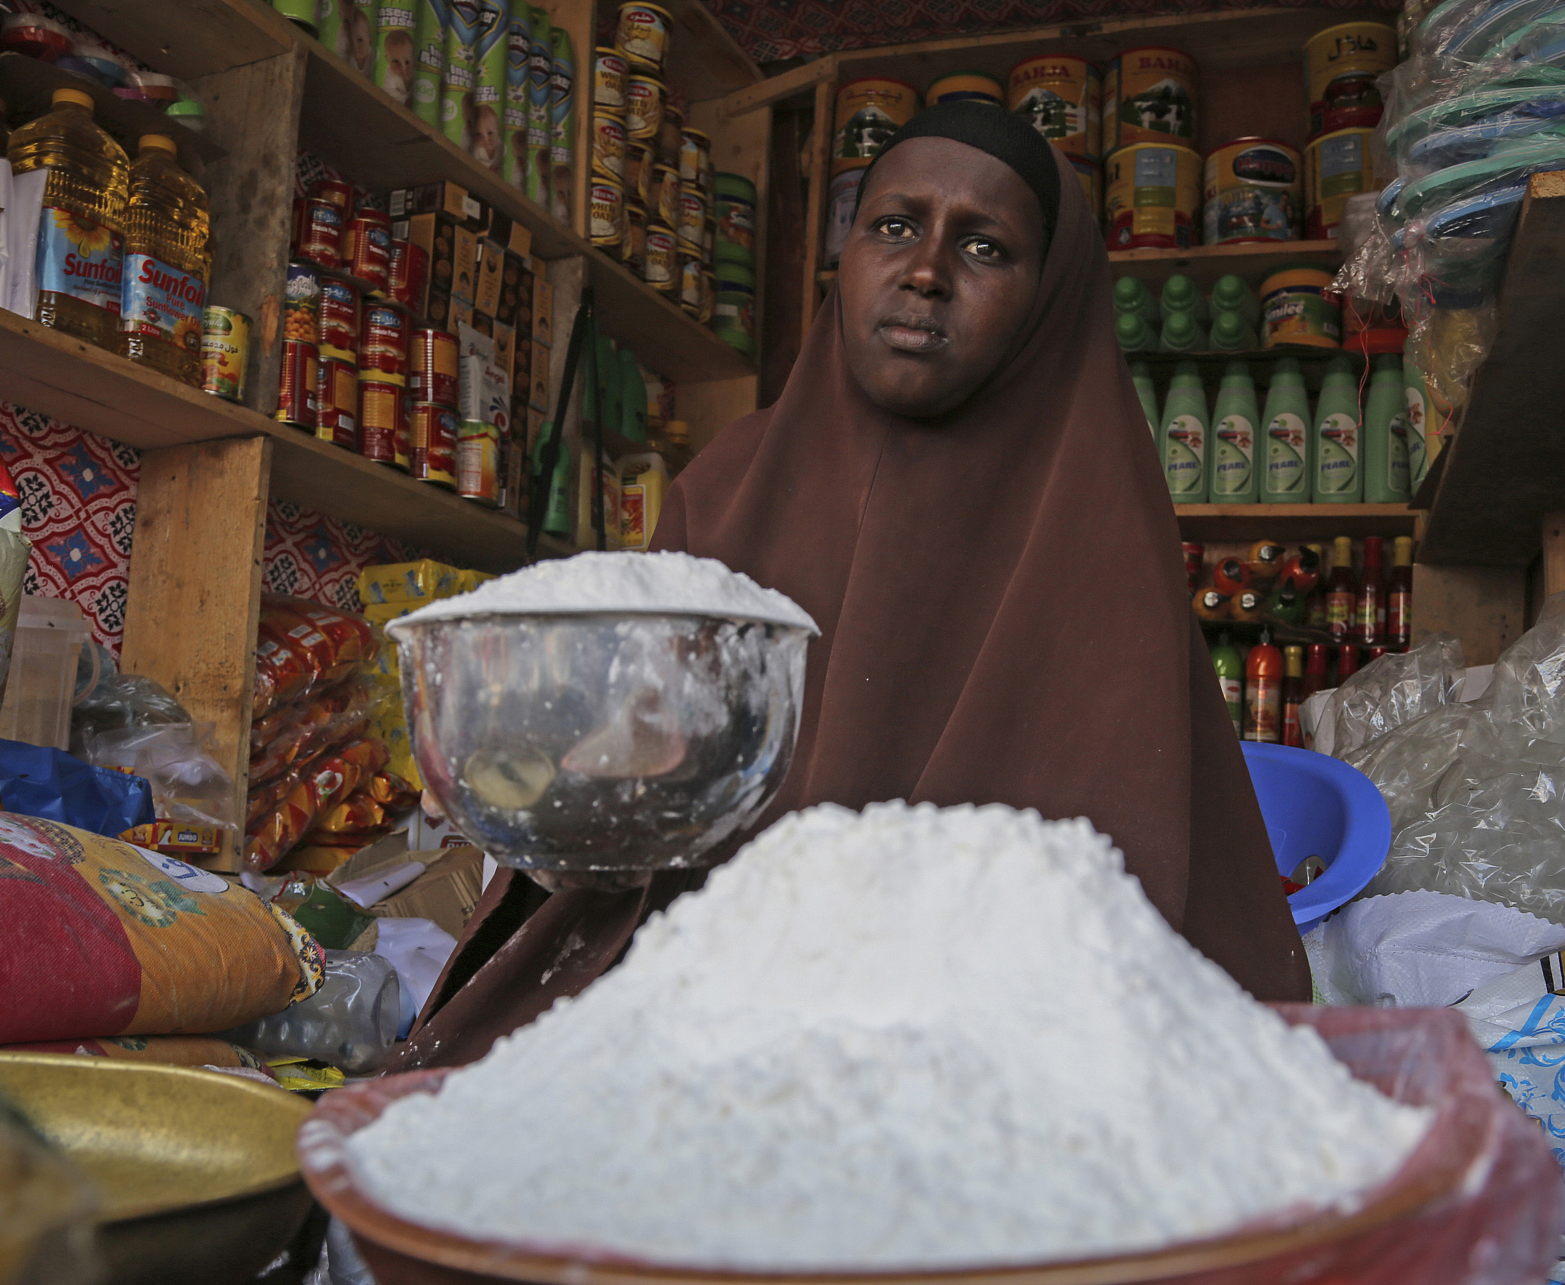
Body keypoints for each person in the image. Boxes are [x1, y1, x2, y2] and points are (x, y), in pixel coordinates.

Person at [393, 103, 1307, 1073]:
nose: (924, 271)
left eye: (985, 247)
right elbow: (636, 810)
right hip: (711, 1004)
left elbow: (1120, 894)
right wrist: (550, 785)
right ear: (847, 256)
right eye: (894, 225)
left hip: (982, 1039)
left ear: (1050, 295)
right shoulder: (726, 487)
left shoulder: (1095, 524)